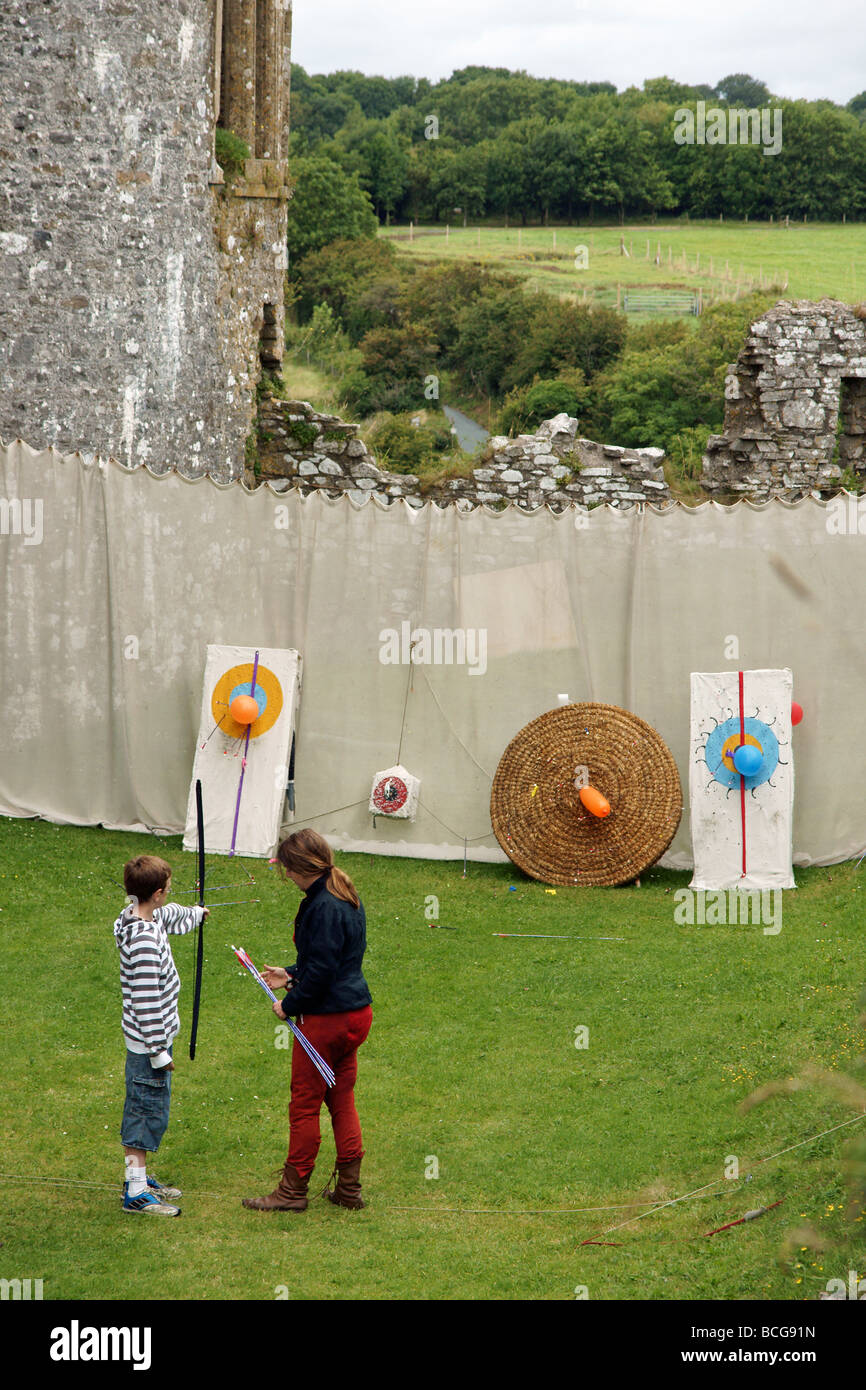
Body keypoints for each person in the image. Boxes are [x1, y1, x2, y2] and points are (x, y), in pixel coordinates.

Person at [242, 830, 373, 1214]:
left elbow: (323, 974)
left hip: (327, 1022)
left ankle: (292, 1191)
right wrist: (290, 972)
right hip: (355, 1016)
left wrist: (290, 1002)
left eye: (288, 871)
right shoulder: (343, 891)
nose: (288, 879)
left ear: (302, 868)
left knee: (303, 1104)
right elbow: (328, 962)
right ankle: (349, 1190)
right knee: (341, 1097)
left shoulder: (322, 906)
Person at [114, 855, 208, 1215]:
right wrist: (158, 1051)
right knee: (142, 1113)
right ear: (155, 893)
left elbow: (171, 916)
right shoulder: (144, 944)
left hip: (152, 1041)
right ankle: (135, 1192)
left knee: (150, 1110)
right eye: (167, 889)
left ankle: (138, 1178)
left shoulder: (141, 916)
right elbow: (146, 1000)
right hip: (148, 1044)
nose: (170, 893)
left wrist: (196, 915)